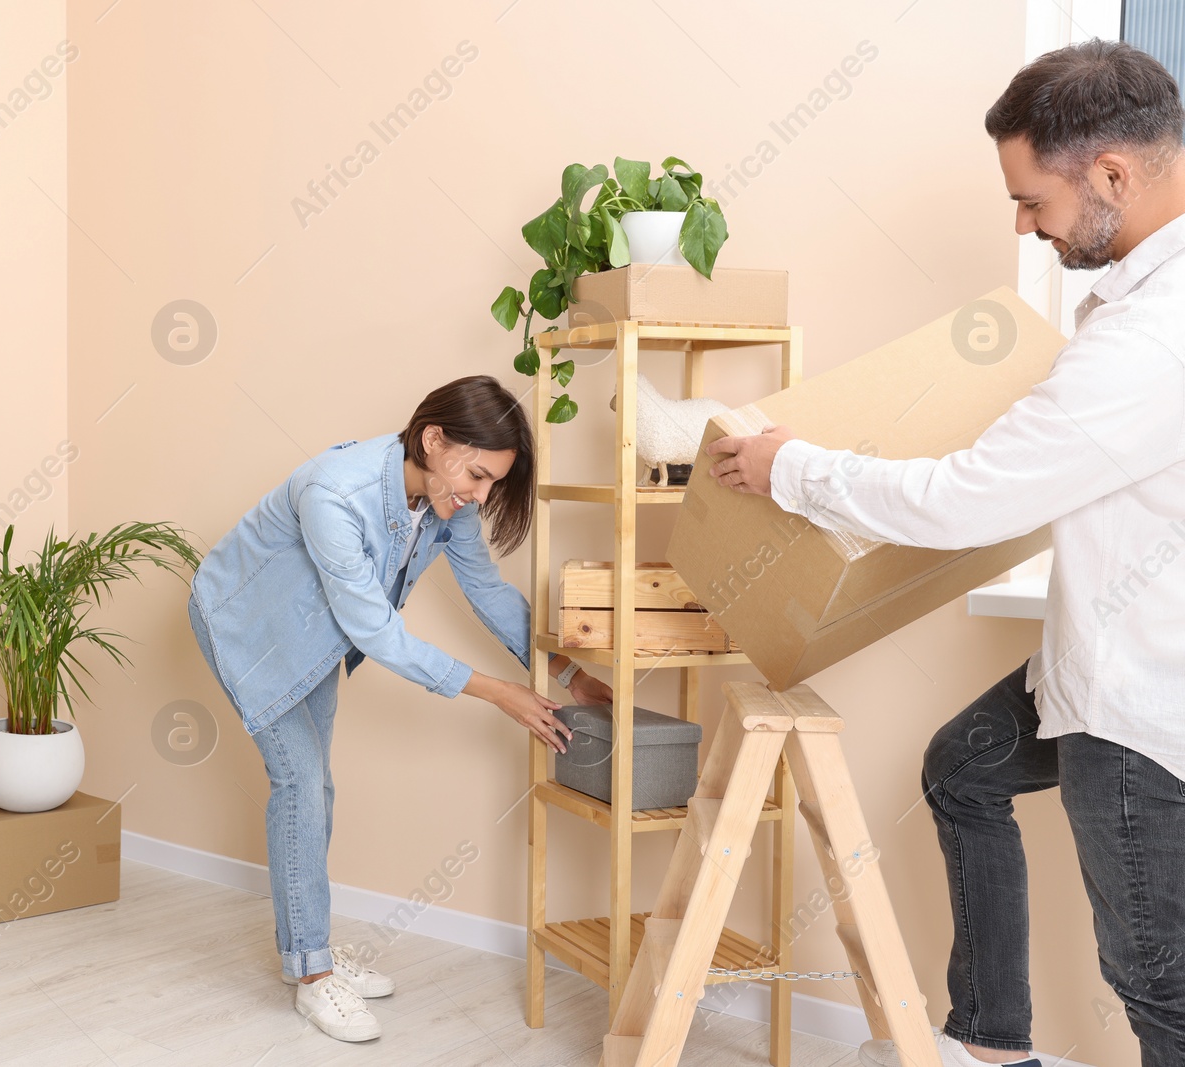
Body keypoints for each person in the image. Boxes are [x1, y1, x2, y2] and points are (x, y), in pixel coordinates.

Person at [706, 40, 1185, 1067]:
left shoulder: (1152, 336)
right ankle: (989, 1039)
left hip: (1140, 704)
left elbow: (967, 497)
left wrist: (790, 466)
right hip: (1101, 651)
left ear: (1112, 174)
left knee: (1160, 992)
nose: (1020, 223)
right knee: (960, 766)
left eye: (1029, 199)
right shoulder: (1139, 307)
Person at [185, 374, 615, 1043]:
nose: (479, 495)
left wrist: (569, 673)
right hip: (246, 625)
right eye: (476, 474)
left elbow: (489, 591)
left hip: (313, 633)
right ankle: (312, 974)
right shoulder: (335, 492)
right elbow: (377, 632)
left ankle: (310, 949)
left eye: (492, 483)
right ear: (433, 438)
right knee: (300, 783)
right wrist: (500, 692)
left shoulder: (448, 500)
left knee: (316, 785)